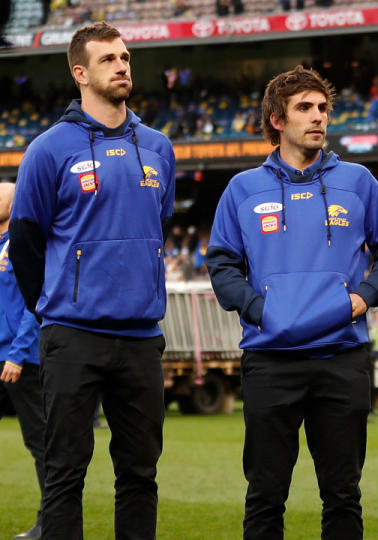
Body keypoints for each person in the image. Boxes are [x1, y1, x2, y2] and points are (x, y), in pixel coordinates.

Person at [206, 65, 378, 540]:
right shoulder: (242, 189)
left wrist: (361, 298)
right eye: (304, 108)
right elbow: (222, 266)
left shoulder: (357, 181)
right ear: (277, 119)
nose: (317, 117)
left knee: (342, 497)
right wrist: (261, 311)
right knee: (264, 497)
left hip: (342, 358)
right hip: (270, 361)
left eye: (322, 108)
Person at [9, 22, 175, 540]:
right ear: (80, 73)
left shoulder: (158, 147)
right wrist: (58, 305)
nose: (123, 65)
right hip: (73, 336)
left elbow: (156, 227)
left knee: (140, 475)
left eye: (125, 56)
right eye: (108, 59)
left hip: (142, 338)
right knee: (64, 473)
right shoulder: (48, 149)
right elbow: (26, 242)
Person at [0, 183, 44, 540]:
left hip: (20, 360)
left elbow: (34, 301)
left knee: (40, 443)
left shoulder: (24, 243)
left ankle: (51, 520)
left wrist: (18, 352)